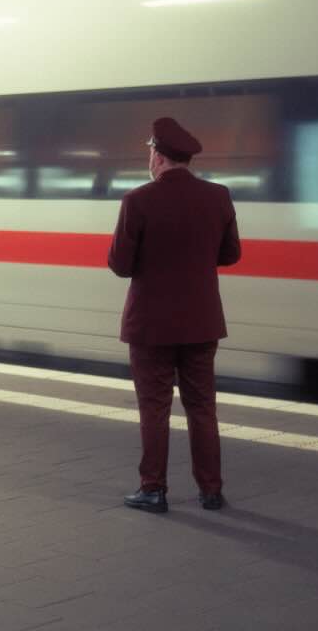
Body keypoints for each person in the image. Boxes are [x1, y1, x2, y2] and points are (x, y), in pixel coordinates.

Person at [107, 116, 242, 513]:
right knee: (202, 408)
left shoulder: (138, 201)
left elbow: (120, 264)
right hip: (201, 323)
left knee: (155, 408)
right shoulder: (219, 196)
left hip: (151, 327)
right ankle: (211, 490)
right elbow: (231, 254)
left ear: (159, 157)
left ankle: (153, 489)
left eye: (150, 152)